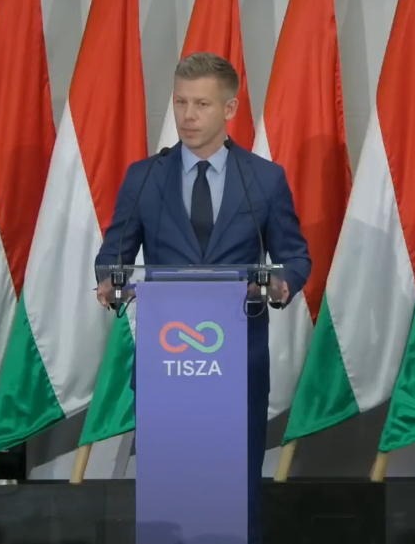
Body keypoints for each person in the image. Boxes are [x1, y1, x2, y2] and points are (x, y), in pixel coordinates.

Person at [93, 52, 311, 544]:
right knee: (170, 492)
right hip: (167, 362)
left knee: (234, 494)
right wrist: (110, 280)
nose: (187, 116)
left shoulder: (264, 179)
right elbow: (113, 256)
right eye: (181, 102)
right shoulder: (144, 177)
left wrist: (280, 285)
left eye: (202, 104)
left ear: (229, 108)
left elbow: (295, 257)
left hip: (238, 362)